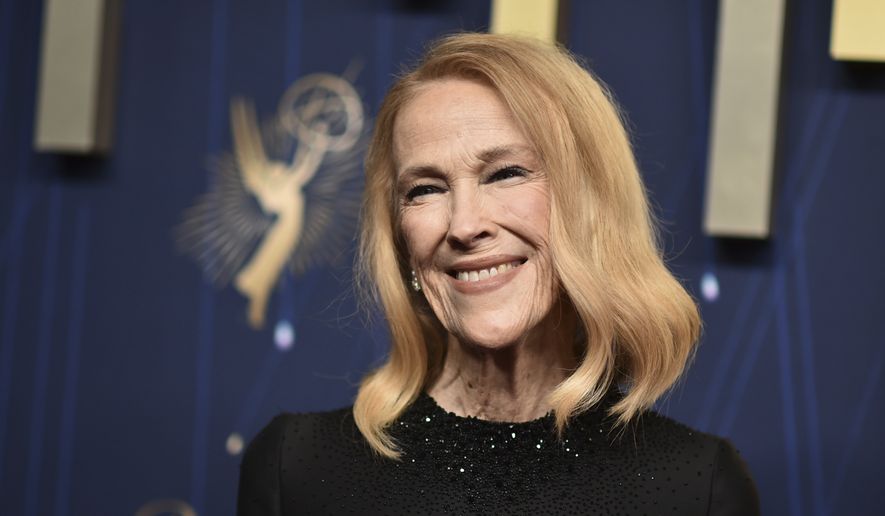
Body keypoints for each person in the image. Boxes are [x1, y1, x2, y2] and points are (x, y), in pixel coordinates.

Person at [237, 33, 760, 515]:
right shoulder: (297, 470)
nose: (464, 225)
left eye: (506, 173)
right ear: (399, 238)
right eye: (425, 189)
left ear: (591, 205)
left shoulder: (696, 488)